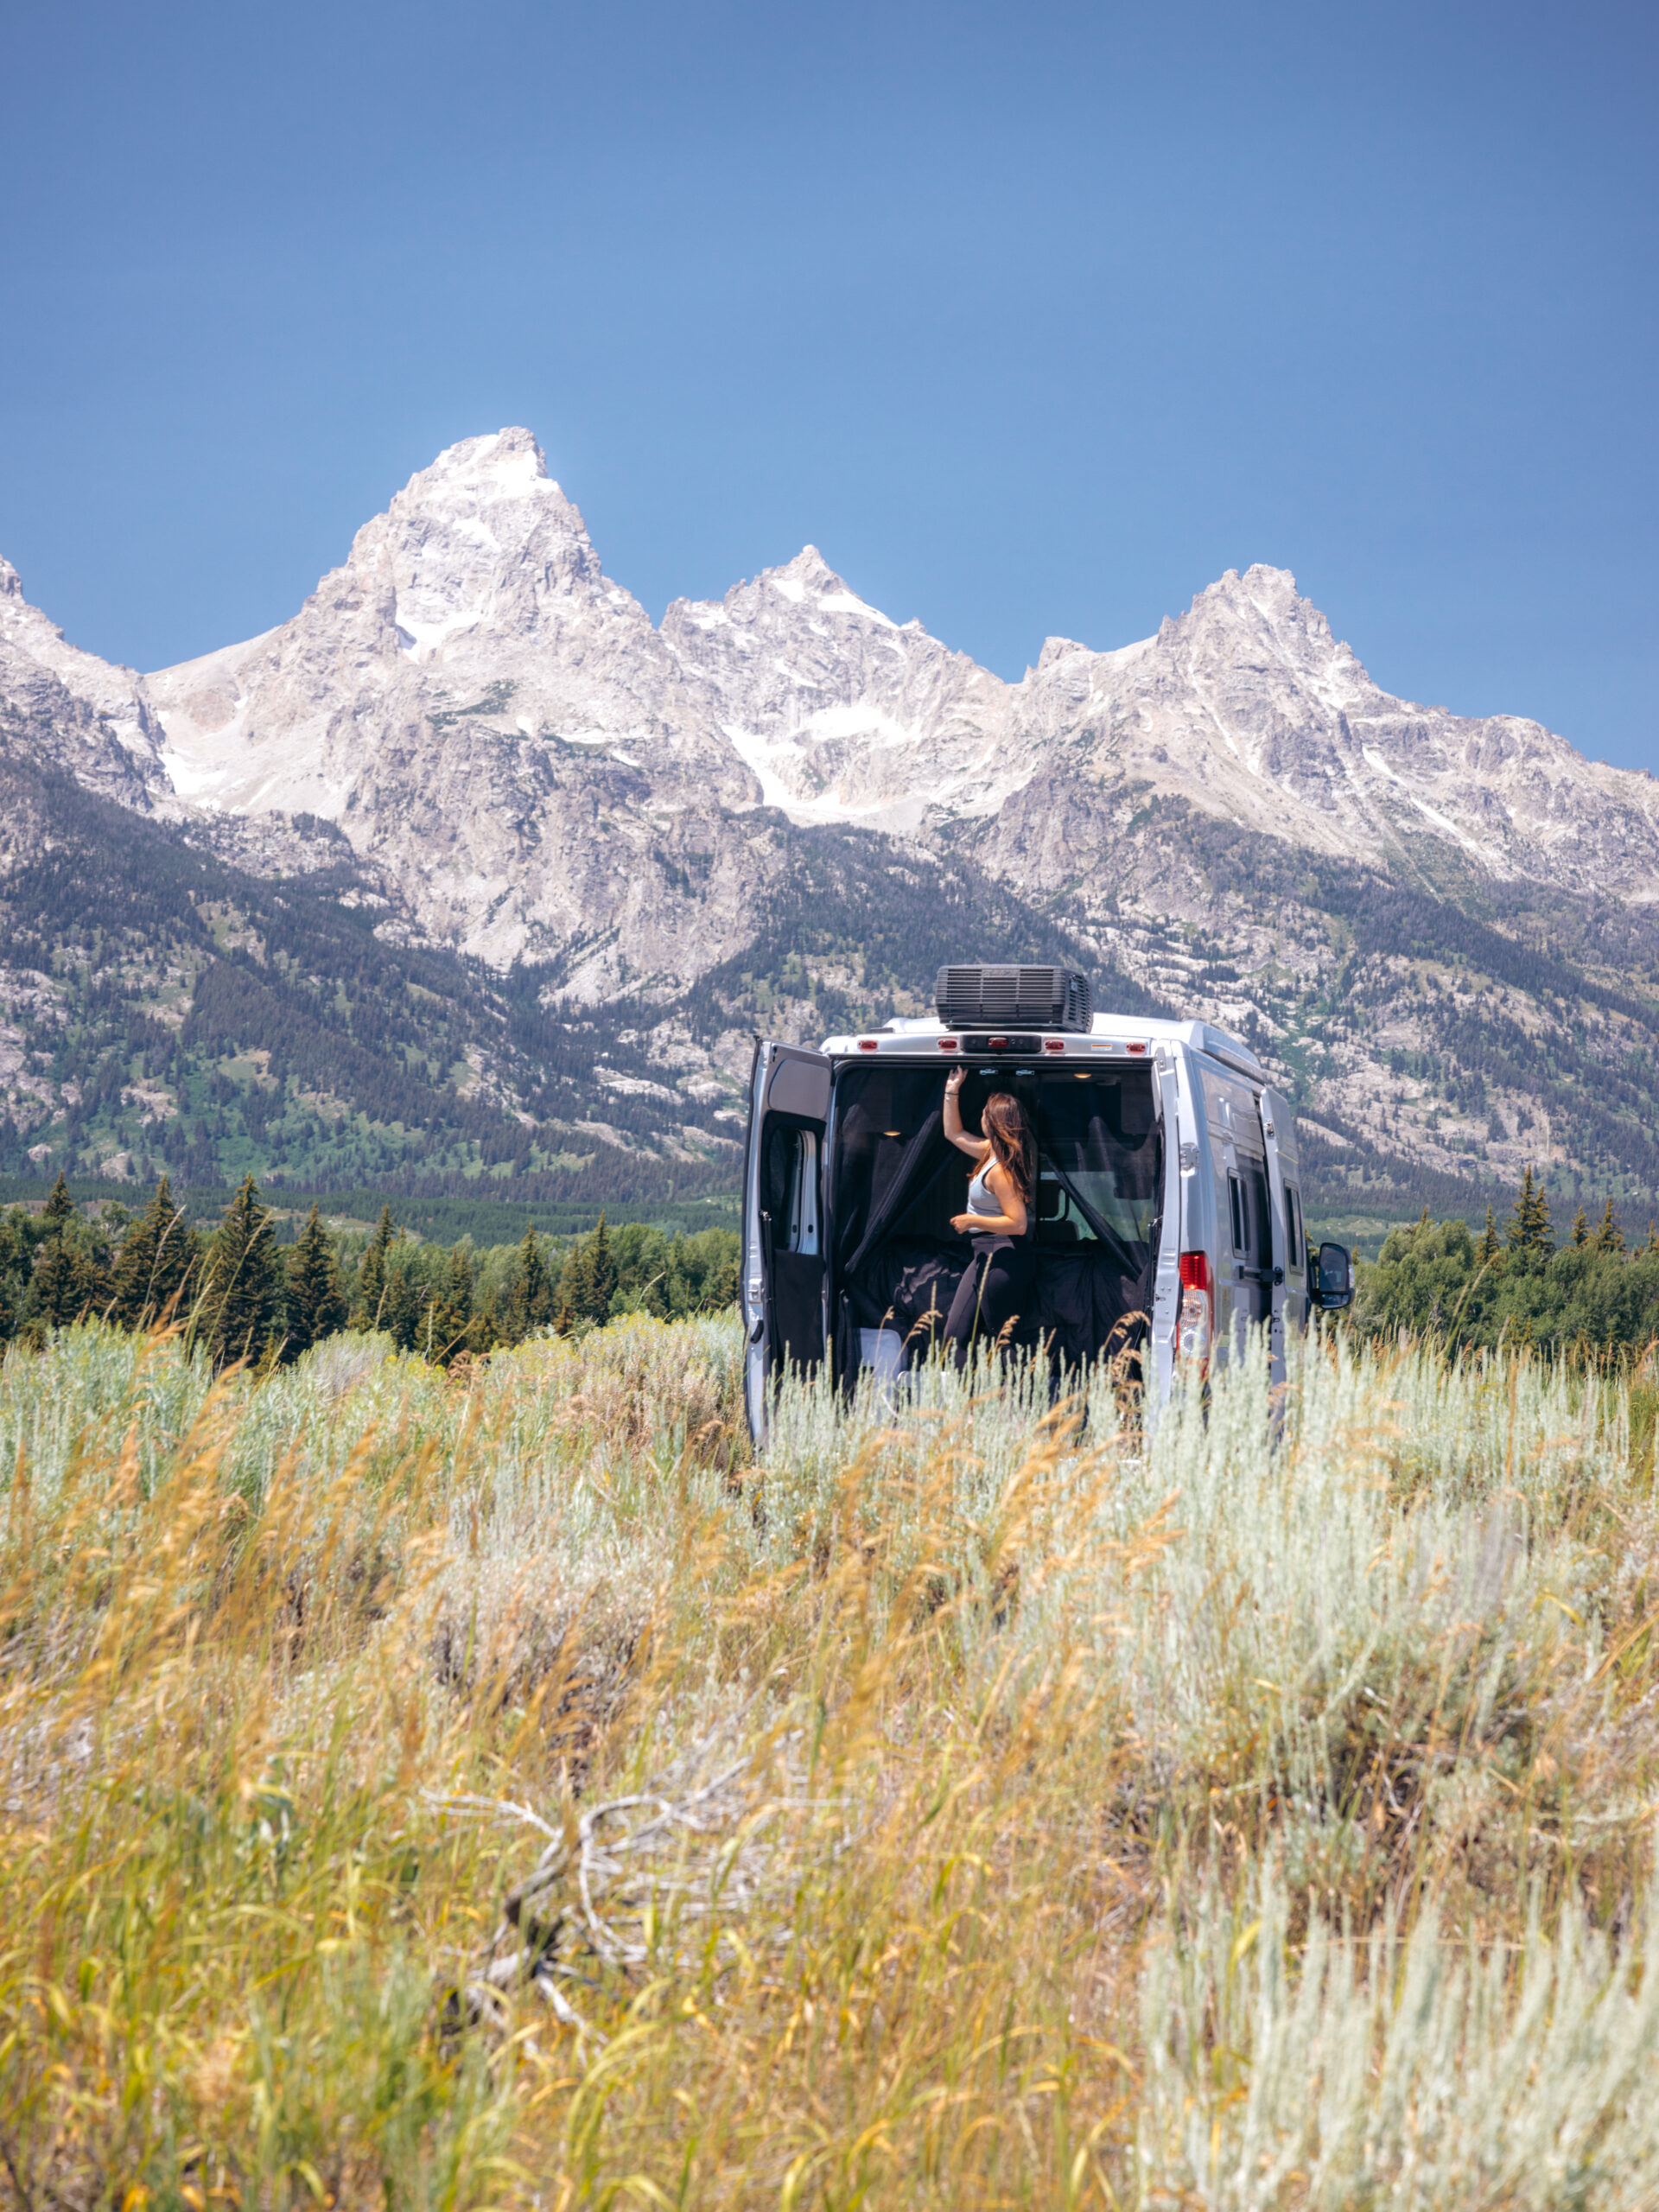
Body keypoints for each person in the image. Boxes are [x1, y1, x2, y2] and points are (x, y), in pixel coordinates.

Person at [940, 1071, 1039, 1367]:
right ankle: (962, 1405)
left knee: (1003, 1341)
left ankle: (1015, 1407)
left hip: (1003, 1254)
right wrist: (952, 1090)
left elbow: (1018, 1224)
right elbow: (952, 1133)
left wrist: (973, 1221)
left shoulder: (1000, 1171)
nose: (980, 1117)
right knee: (955, 1334)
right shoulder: (989, 1153)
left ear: (993, 1123)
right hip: (984, 1254)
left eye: (984, 1113)